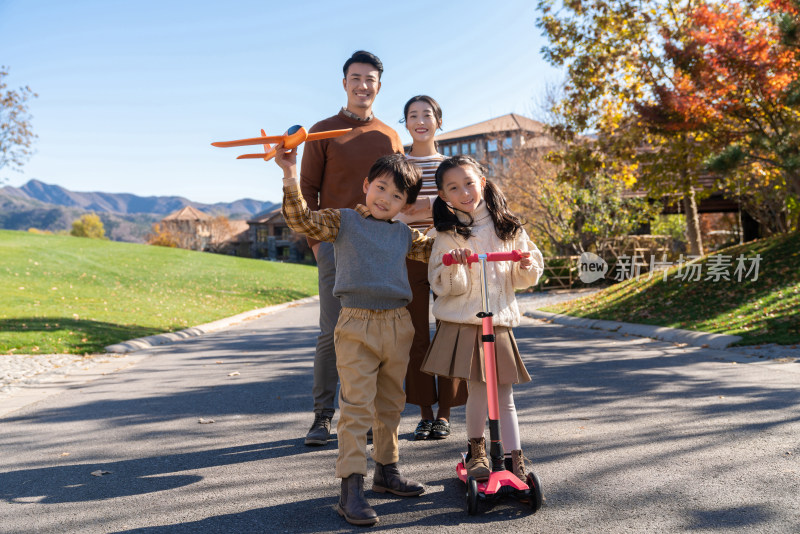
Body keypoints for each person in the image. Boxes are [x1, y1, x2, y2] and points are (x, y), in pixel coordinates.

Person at [277, 147, 456, 527]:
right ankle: (351, 487)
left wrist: (465, 217)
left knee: (391, 403)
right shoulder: (343, 222)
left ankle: (386, 472)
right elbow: (301, 221)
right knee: (357, 406)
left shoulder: (406, 235)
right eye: (381, 188)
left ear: (406, 204)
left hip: (398, 324)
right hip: (356, 324)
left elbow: (443, 251)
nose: (385, 199)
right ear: (366, 185)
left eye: (397, 196)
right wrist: (290, 173)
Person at [300, 50, 405, 446]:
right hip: (333, 244)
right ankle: (323, 415)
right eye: (356, 78)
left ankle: (371, 419)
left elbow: (397, 191)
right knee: (332, 330)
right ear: (344, 83)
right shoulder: (322, 131)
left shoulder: (389, 136)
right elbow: (307, 189)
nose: (363, 85)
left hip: (379, 248)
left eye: (370, 79)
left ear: (379, 86)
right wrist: (316, 242)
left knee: (377, 330)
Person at [421, 154, 544, 482]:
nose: (464, 192)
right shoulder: (447, 234)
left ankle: (514, 456)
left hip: (498, 321)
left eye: (469, 183)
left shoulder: (508, 227)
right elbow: (445, 286)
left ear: (483, 184)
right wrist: (455, 265)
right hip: (468, 322)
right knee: (477, 390)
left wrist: (526, 265)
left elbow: (523, 273)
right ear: (444, 196)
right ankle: (477, 451)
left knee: (504, 394)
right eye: (453, 188)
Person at [395, 95, 467, 441]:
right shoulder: (398, 164)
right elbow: (394, 210)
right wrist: (433, 205)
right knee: (415, 336)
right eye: (413, 115)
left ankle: (446, 412)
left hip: (446, 252)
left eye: (427, 114)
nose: (420, 120)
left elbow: (461, 203)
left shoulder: (450, 166)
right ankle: (424, 412)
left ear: (439, 120)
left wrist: (422, 204)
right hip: (406, 254)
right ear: (405, 123)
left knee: (450, 330)